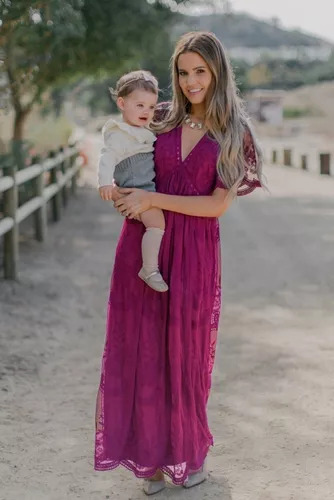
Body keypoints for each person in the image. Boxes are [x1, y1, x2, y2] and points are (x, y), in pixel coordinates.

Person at [94, 31, 264, 495]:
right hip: (144, 246)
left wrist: (153, 197)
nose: (191, 82)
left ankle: (188, 455)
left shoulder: (233, 131)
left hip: (195, 252)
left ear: (218, 72)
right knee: (142, 351)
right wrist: (125, 195)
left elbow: (215, 206)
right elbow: (124, 162)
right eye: (184, 72)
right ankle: (148, 459)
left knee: (186, 355)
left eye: (200, 72)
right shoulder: (159, 119)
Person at [98, 70, 168, 292]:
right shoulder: (120, 134)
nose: (146, 112)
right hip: (136, 193)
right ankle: (149, 269)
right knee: (157, 223)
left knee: (156, 222)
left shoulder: (140, 130)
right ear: (121, 103)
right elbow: (106, 157)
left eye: (150, 107)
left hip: (144, 189)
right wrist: (105, 183)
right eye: (140, 105)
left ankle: (150, 267)